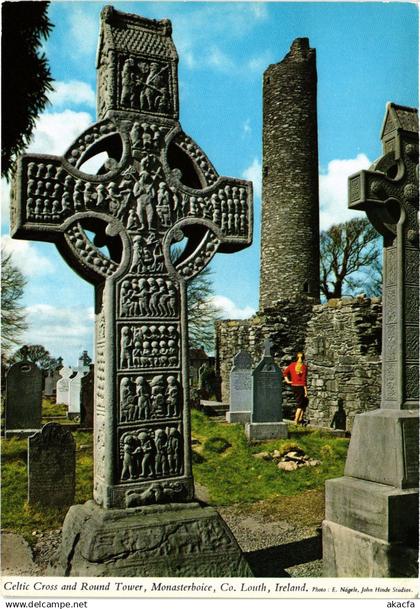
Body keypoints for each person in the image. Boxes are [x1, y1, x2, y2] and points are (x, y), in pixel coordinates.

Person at [283, 352, 308, 425]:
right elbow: (304, 381)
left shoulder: (292, 365)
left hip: (294, 386)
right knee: (300, 404)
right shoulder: (304, 367)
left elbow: (285, 373)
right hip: (300, 387)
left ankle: (300, 418)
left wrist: (288, 381)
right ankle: (296, 421)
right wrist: (306, 391)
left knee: (304, 402)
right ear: (303, 358)